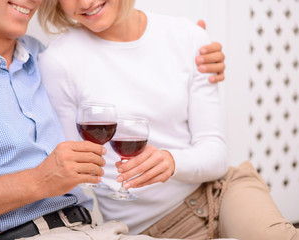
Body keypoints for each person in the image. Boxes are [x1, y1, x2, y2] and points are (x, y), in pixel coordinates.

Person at [0, 1, 220, 240]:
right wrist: (37, 181)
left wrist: (192, 50)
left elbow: (114, 58)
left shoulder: (42, 58)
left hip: (96, 230)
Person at [37, 0, 299, 240]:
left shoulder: (187, 37)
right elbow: (77, 173)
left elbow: (216, 155)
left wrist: (172, 162)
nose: (85, 2)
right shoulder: (59, 61)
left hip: (219, 193)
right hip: (151, 230)